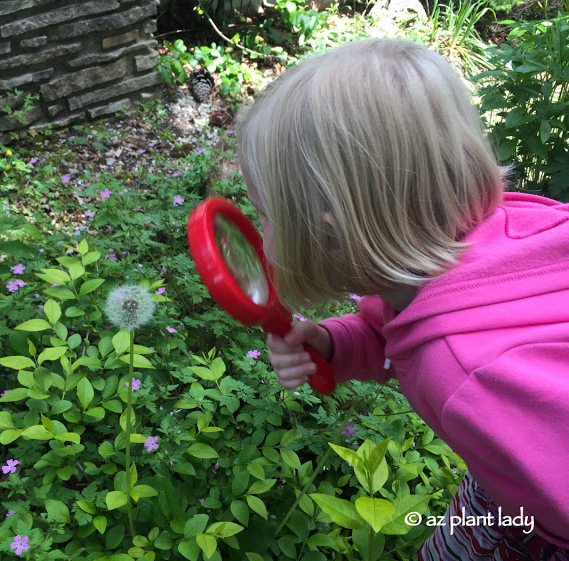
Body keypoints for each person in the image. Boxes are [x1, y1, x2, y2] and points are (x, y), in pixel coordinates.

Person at [235, 37, 569, 559]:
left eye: (266, 214)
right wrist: (331, 344)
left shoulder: (470, 375)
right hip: (512, 485)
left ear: (333, 234)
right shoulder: (482, 245)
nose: (261, 231)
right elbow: (396, 328)